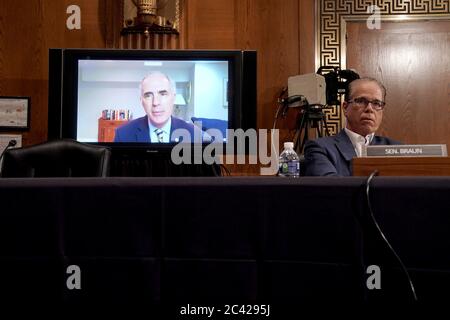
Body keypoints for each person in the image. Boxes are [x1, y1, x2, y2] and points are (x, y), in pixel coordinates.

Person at [304, 77, 401, 176]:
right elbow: (330, 188)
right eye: (361, 101)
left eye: (376, 103)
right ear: (345, 108)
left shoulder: (398, 149)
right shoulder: (321, 148)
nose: (369, 109)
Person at [114, 71, 208, 143]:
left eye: (163, 94)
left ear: (173, 98)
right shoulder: (123, 134)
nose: (155, 102)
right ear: (141, 101)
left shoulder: (196, 135)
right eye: (148, 95)